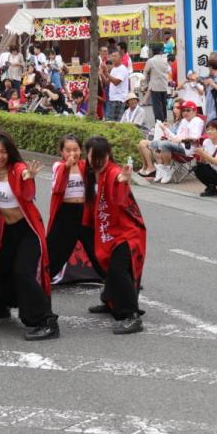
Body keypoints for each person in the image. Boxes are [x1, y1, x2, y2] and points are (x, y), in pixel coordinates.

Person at [0, 131, 59, 340]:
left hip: (27, 230)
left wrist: (29, 177)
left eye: (3, 152)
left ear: (10, 152)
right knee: (1, 268)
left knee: (23, 272)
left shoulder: (17, 169)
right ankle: (1, 306)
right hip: (5, 230)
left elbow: (27, 193)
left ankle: (46, 320)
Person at [84, 136, 147, 334]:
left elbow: (120, 193)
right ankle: (111, 301)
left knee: (119, 271)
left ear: (108, 155)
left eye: (102, 156)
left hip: (127, 233)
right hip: (111, 230)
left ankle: (131, 315)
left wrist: (123, 180)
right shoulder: (94, 172)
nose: (98, 161)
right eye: (94, 156)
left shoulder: (112, 172)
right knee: (111, 269)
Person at [46, 135, 105, 285]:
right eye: (68, 150)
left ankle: (115, 278)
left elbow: (100, 175)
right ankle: (43, 277)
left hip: (83, 212)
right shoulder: (58, 166)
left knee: (95, 249)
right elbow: (57, 187)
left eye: (76, 150)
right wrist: (67, 166)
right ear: (61, 152)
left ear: (81, 151)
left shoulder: (85, 166)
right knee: (56, 249)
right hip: (65, 213)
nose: (72, 153)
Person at [137, 102, 203, 183]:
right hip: (178, 144)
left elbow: (195, 139)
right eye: (184, 110)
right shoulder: (184, 121)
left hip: (188, 148)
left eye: (188, 110)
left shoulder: (197, 121)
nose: (185, 113)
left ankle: (167, 169)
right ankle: (161, 168)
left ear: (195, 111)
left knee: (164, 144)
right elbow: (176, 137)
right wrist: (165, 129)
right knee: (154, 143)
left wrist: (180, 140)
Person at [142, 43, 170, 122]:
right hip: (164, 85)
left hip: (155, 86)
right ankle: (165, 120)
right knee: (164, 105)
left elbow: (145, 72)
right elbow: (167, 71)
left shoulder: (151, 61)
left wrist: (145, 82)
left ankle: (159, 123)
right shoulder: (165, 60)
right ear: (161, 51)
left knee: (157, 106)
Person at [104, 49, 132, 122]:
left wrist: (106, 74)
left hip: (119, 99)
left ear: (120, 58)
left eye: (115, 56)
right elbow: (107, 82)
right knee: (110, 121)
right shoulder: (114, 68)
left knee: (116, 122)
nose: (113, 58)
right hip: (112, 98)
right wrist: (102, 73)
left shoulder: (122, 69)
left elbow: (116, 82)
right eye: (112, 56)